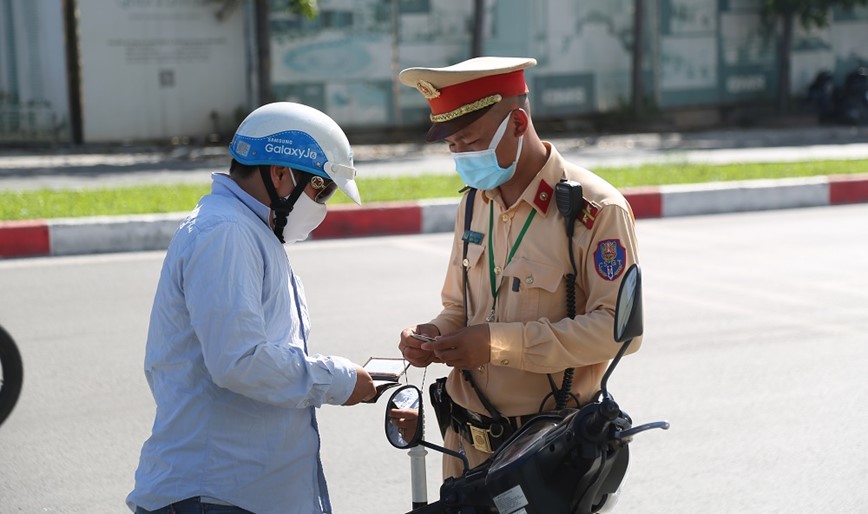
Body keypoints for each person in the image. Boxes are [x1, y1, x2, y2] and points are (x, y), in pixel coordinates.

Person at [396, 56, 641, 479]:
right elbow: (459, 307)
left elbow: (619, 333)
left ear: (517, 124)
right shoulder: (473, 203)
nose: (461, 157)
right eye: (452, 147)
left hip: (545, 456)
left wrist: (497, 344)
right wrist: (434, 335)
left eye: (470, 141)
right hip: (463, 449)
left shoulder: (594, 211)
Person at [127, 102, 377, 514]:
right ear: (280, 173)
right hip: (215, 495)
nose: (323, 203)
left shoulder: (250, 231)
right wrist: (340, 379)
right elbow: (239, 360)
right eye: (321, 188)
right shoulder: (226, 233)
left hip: (238, 492)